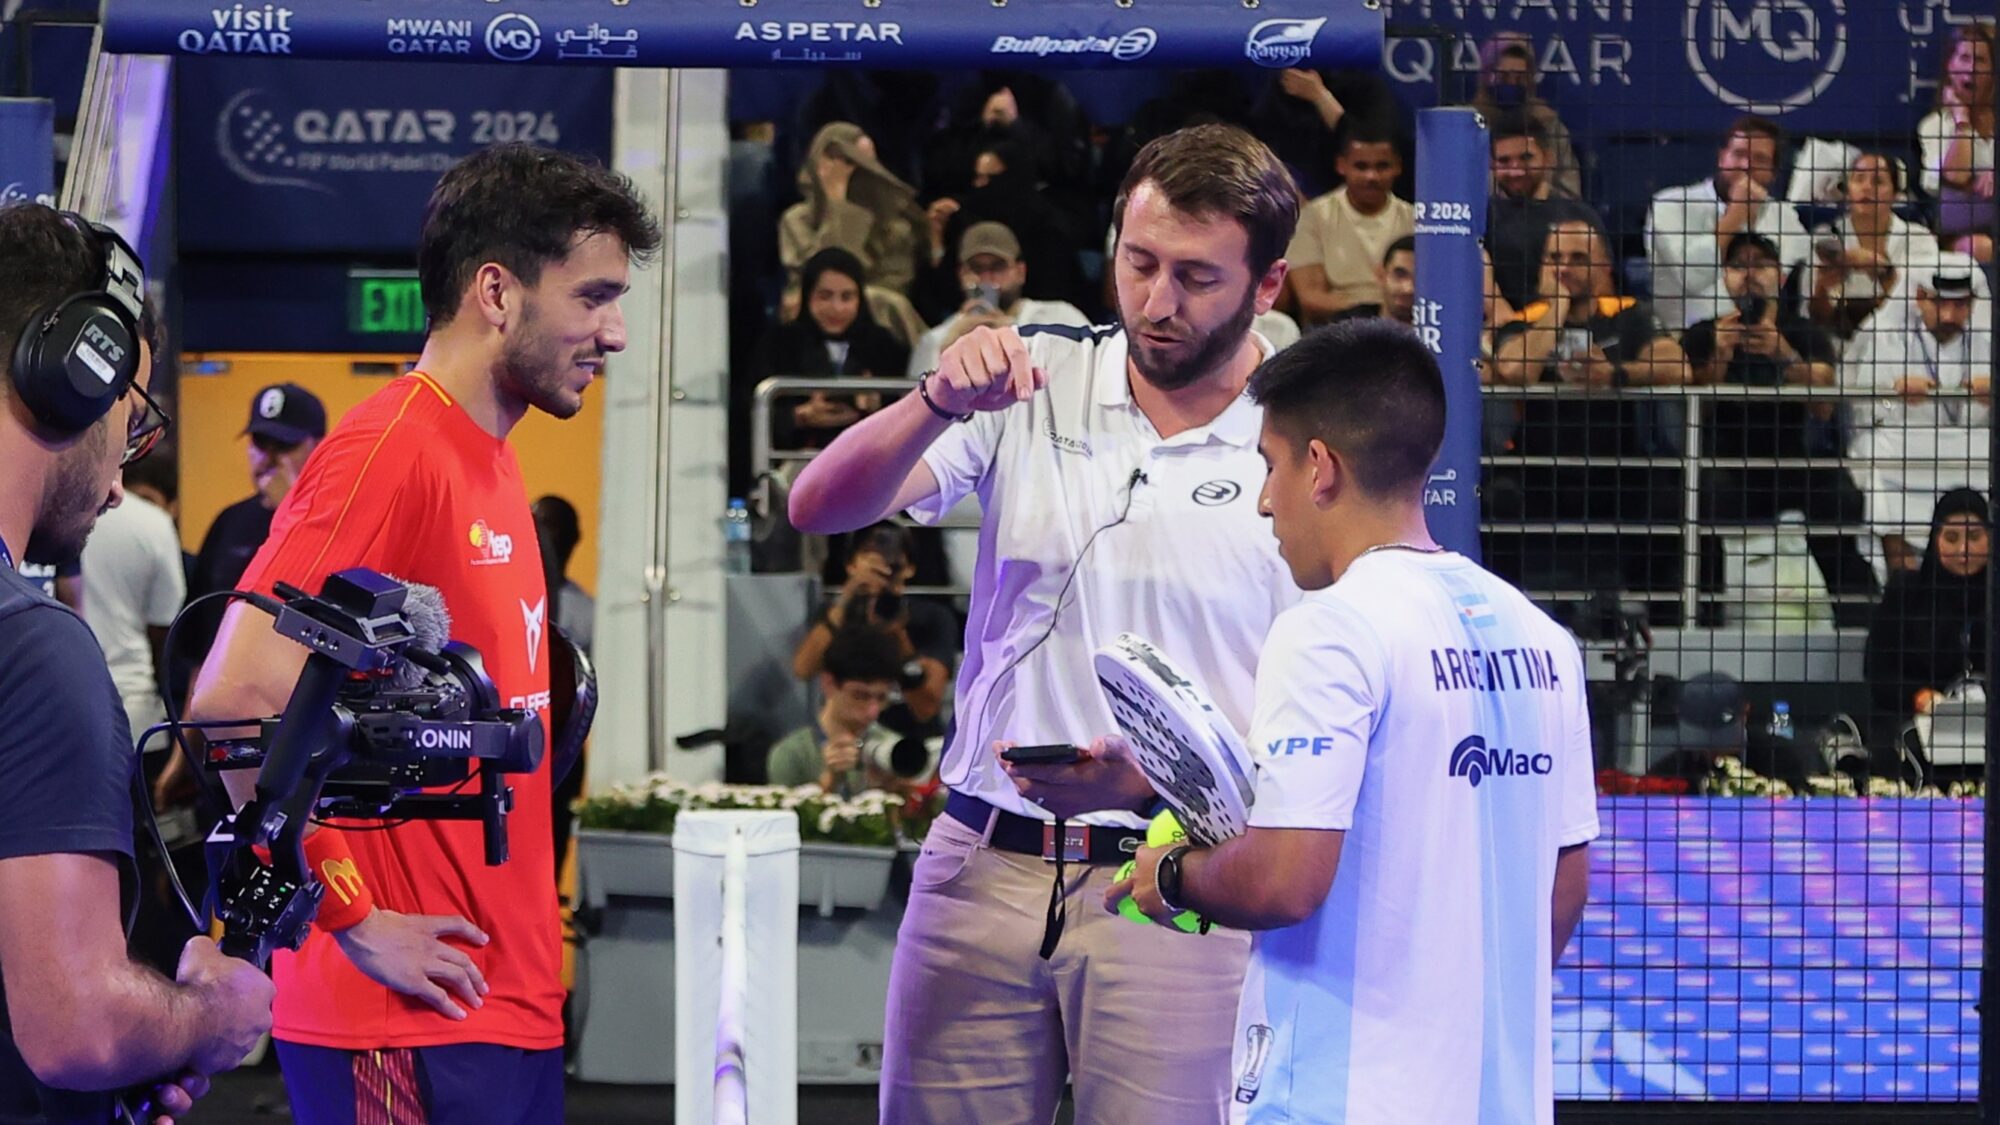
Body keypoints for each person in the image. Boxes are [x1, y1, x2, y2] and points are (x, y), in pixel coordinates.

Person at [789, 123, 1302, 1124]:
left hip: (1178, 883)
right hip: (978, 866)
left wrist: (1152, 780)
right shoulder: (1023, 379)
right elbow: (816, 505)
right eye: (1138, 262)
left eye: (1195, 277)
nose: (1156, 301)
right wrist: (934, 399)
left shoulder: (1306, 436)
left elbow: (1334, 719)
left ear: (1268, 285)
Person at [184, 144, 660, 1123]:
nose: (613, 332)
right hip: (400, 1021)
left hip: (499, 1006)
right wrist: (353, 917)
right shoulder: (393, 446)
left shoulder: (486, 458)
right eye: (593, 297)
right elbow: (232, 705)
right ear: (498, 291)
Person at [1108, 319, 1596, 1123]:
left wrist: (1168, 878)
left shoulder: (1328, 625)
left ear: (1321, 467)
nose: (1265, 501)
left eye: (1270, 466)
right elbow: (1565, 884)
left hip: (1338, 1100)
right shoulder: (1543, 638)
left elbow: (1284, 877)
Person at [0, 202, 272, 1125]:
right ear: (70, 374)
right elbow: (75, 1026)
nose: (123, 469)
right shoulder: (33, 651)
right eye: (132, 408)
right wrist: (210, 1015)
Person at [1683, 232, 1875, 613]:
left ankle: (1858, 619)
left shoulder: (1802, 331)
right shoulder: (1704, 332)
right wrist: (1721, 356)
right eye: (1739, 265)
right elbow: (1692, 410)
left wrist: (1782, 353)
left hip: (1791, 461)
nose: (1749, 274)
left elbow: (1824, 403)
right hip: (1726, 466)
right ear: (1725, 277)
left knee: (1838, 496)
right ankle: (1702, 619)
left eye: (1761, 265)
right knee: (1688, 499)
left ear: (1780, 277)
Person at [1844, 252, 1992, 572]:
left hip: (1976, 446)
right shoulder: (1886, 337)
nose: (1951, 314)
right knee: (1880, 470)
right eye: (1941, 304)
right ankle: (1905, 591)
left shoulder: (1987, 340)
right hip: (1904, 445)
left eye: (1961, 305)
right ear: (1920, 297)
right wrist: (1894, 395)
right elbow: (1866, 408)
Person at [180, 381, 326, 669]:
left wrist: (292, 509)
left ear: (319, 447)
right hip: (222, 686)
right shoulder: (230, 521)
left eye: (285, 445)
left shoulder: (328, 522)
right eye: (260, 443)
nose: (268, 458)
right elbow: (199, 638)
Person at [792, 521, 955, 738]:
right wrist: (847, 599)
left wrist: (898, 634)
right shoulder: (835, 615)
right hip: (844, 740)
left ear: (909, 568)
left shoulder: (933, 617)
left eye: (894, 560)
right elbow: (803, 669)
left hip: (911, 745)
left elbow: (926, 708)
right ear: (851, 564)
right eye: (871, 556)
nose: (883, 566)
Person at [1647, 115, 1811, 329]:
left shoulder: (1784, 218)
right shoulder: (1670, 204)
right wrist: (1736, 215)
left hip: (1761, 339)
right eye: (1739, 154)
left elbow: (1784, 285)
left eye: (1760, 159)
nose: (1746, 165)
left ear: (1772, 173)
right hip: (1681, 341)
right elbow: (1692, 277)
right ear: (1722, 158)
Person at [756, 247, 911, 454]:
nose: (836, 308)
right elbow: (748, 415)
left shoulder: (884, 345)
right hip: (800, 460)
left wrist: (877, 405)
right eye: (825, 296)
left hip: (869, 459)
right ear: (808, 295)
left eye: (847, 297)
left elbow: (907, 415)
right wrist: (800, 416)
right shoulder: (781, 343)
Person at [1865, 489, 1989, 737]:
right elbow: (1879, 673)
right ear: (1935, 539)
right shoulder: (1906, 592)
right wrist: (1918, 696)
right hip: (1913, 721)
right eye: (1951, 538)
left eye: (1974, 537)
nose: (1964, 549)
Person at [80, 452, 186, 740]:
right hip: (134, 706)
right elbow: (164, 625)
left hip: (60, 703)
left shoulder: (49, 512)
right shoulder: (154, 523)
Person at [906, 221, 1090, 378]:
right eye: (976, 268)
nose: (987, 278)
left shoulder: (1059, 315)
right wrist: (945, 353)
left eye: (998, 267)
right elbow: (916, 407)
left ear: (1020, 272)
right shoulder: (938, 338)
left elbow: (1089, 370)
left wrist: (1013, 334)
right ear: (961, 274)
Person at [1283, 125, 1413, 326]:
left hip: (1403, 328)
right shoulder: (1313, 216)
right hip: (1334, 331)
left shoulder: (1416, 220)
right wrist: (1378, 308)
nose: (1372, 176)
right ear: (1341, 165)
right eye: (1361, 166)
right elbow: (1311, 299)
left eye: (1382, 166)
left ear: (1398, 166)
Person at [1805, 152, 1943, 338]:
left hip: (1903, 343)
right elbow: (1815, 319)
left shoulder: (1918, 238)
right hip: (1842, 346)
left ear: (1895, 194)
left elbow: (1924, 309)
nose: (1866, 187)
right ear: (1847, 190)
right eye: (1859, 179)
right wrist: (1821, 288)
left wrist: (1882, 270)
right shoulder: (1824, 238)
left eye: (1877, 181)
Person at [781, 121, 924, 299]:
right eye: (837, 160)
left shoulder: (894, 225)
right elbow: (820, 275)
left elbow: (891, 293)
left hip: (875, 314)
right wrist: (837, 205)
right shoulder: (797, 219)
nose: (841, 171)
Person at [769, 623, 914, 795]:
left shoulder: (893, 748)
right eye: (860, 696)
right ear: (828, 684)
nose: (873, 711)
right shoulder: (792, 754)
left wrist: (899, 791)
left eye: (882, 698)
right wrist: (829, 783)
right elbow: (786, 819)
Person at [1486, 110, 1600, 312]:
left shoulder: (1580, 216)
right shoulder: (1480, 218)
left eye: (1526, 158)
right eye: (1504, 161)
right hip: (1502, 330)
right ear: (1492, 165)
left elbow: (1602, 285)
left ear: (1548, 159)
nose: (1516, 170)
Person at [1647, 671, 1819, 793]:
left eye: (1720, 737)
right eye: (1701, 738)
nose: (1712, 751)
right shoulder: (1665, 776)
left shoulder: (1783, 762)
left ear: (1745, 713)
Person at [1471, 32, 1582, 201]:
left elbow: (1571, 192)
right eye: (1503, 76)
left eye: (1520, 77)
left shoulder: (1550, 125)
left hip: (1542, 215)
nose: (1512, 83)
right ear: (1486, 77)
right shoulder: (1467, 124)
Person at [1920, 22, 1996, 262]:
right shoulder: (1934, 125)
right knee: (1979, 247)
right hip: (1957, 236)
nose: (1971, 69)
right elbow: (1954, 179)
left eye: (1981, 60)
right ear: (1950, 65)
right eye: (1964, 58)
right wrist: (1961, 120)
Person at [531, 494, 593, 657]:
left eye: (548, 525)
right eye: (535, 525)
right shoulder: (508, 599)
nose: (542, 535)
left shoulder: (588, 614)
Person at [1330, 235, 1417, 325]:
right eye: (1399, 275)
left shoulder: (1431, 336)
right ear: (1381, 275)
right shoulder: (1348, 325)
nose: (1408, 288)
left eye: (1418, 280)